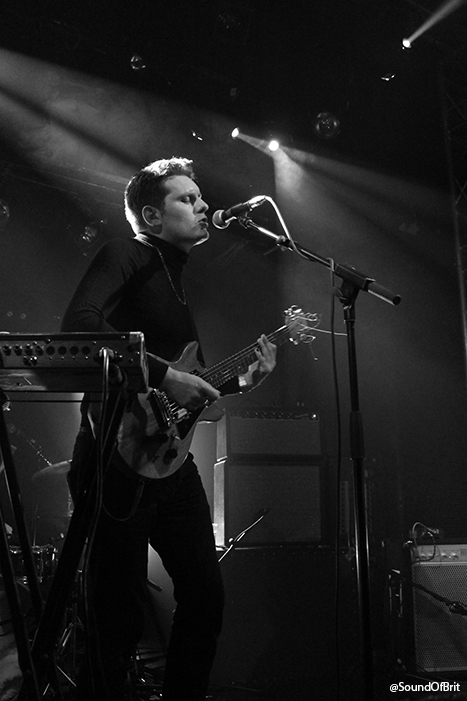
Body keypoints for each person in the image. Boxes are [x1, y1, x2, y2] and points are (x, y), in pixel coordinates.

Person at [60, 157, 277, 701]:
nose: (204, 206)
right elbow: (80, 326)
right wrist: (165, 374)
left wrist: (236, 385)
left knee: (205, 596)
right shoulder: (126, 253)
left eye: (200, 197)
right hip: (114, 460)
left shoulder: (175, 279)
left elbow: (176, 400)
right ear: (152, 216)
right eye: (188, 198)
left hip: (169, 463)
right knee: (116, 614)